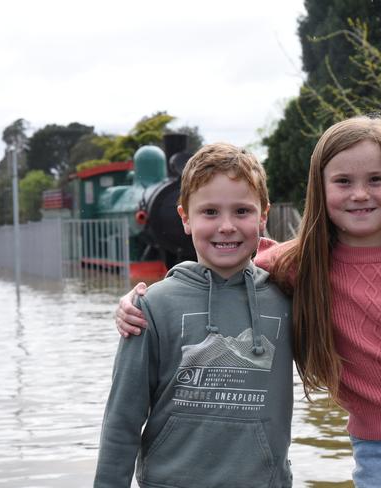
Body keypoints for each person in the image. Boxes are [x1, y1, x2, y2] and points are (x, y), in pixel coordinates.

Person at [116, 116, 381, 488]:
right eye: (343, 181)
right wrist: (141, 299)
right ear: (321, 187)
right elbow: (226, 266)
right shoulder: (301, 265)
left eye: (376, 180)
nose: (360, 194)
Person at [95, 143, 294, 488]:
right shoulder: (151, 307)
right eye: (210, 212)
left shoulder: (289, 299)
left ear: (263, 216)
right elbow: (122, 420)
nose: (227, 226)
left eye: (243, 211)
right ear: (185, 218)